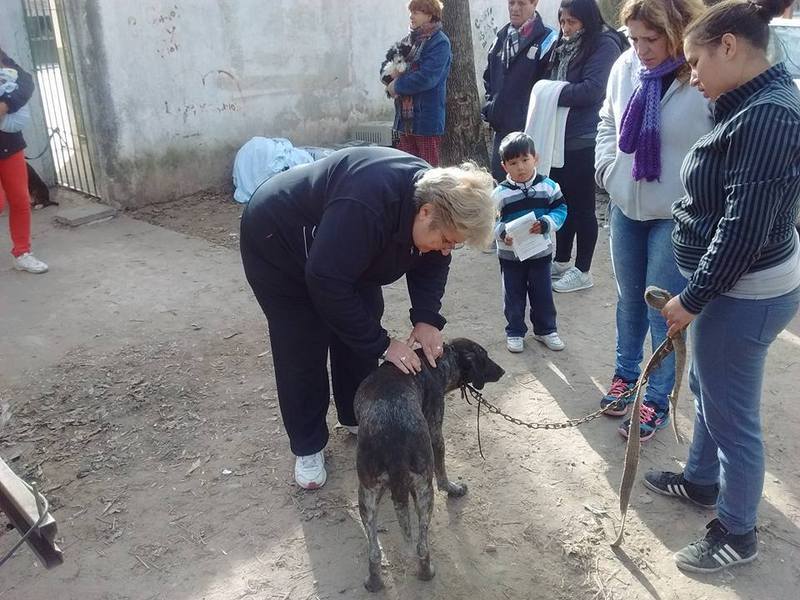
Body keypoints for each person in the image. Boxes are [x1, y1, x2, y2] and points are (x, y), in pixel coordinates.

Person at [646, 0, 800, 574]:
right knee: (709, 389)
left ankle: (738, 531)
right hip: (731, 287)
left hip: (745, 291)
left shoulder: (769, 116)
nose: (693, 77)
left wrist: (694, 296)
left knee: (732, 413)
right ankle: (701, 480)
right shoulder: (748, 103)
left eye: (695, 62)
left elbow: (744, 228)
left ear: (729, 46)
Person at [239, 147, 495, 490]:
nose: (447, 249)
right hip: (278, 241)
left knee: (361, 322)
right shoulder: (368, 205)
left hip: (338, 249)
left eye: (455, 244)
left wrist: (426, 318)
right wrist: (384, 344)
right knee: (301, 342)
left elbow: (433, 261)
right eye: (447, 240)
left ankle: (353, 415)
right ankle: (309, 445)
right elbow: (326, 279)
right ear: (425, 212)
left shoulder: (436, 199)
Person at [594, 0, 711, 442]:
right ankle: (625, 377)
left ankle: (656, 401)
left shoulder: (699, 76)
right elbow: (607, 118)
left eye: (652, 38)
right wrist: (607, 168)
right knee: (628, 299)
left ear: (677, 29)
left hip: (675, 214)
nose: (641, 49)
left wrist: (696, 199)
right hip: (626, 205)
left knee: (663, 308)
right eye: (634, 38)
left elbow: (716, 145)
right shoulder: (625, 66)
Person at [546, 0, 626, 293]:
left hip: (585, 137)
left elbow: (593, 89)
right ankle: (562, 259)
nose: (566, 29)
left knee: (582, 206)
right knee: (562, 201)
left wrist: (551, 92)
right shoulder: (561, 45)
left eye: (572, 23)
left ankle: (583, 269)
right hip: (559, 137)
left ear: (587, 20)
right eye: (563, 22)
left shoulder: (603, 45)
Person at [492, 132, 566, 354]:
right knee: (513, 295)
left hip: (540, 254)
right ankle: (514, 331)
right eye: (513, 163)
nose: (521, 167)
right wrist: (502, 232)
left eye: (525, 160)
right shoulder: (499, 194)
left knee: (543, 293)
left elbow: (561, 210)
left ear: (536, 158)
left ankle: (546, 330)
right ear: (505, 166)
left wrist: (547, 223)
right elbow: (491, 220)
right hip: (510, 256)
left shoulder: (550, 187)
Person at [482, 0, 558, 183]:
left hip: (530, 131)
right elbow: (489, 78)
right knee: (502, 188)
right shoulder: (500, 39)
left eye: (522, 3)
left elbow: (549, 83)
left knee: (531, 190)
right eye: (511, 2)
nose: (515, 8)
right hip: (502, 130)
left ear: (534, 4)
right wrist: (492, 107)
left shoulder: (548, 39)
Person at [383, 0, 451, 166]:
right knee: (404, 170)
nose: (411, 16)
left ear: (429, 15)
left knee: (428, 172)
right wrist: (387, 78)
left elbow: (427, 77)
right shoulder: (408, 40)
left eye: (416, 12)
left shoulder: (439, 42)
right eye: (411, 11)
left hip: (426, 121)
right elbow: (386, 64)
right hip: (404, 121)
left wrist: (397, 86)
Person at [0, 47, 47, 274]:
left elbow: (26, 82)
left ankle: (22, 253)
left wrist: (6, 105)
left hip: (10, 143)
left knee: (20, 199)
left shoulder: (2, 59)